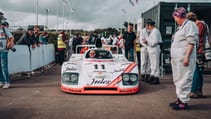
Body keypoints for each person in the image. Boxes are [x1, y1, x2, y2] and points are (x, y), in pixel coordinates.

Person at [170, 7, 198, 110]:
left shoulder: (190, 25)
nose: (174, 19)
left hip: (185, 59)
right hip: (178, 59)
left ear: (178, 16)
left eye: (175, 17)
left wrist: (186, 56)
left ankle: (183, 101)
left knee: (185, 79)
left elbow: (192, 42)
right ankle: (179, 99)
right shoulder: (181, 27)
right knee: (178, 79)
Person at [186, 12, 208, 98]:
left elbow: (194, 37)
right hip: (201, 51)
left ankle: (193, 90)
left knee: (195, 71)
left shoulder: (199, 25)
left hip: (198, 51)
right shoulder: (203, 24)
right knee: (199, 71)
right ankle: (199, 90)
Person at [143, 19, 162, 85]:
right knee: (152, 64)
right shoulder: (153, 31)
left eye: (148, 25)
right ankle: (153, 76)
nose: (147, 26)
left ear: (150, 25)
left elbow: (155, 42)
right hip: (151, 49)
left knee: (155, 64)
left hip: (155, 48)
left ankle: (156, 78)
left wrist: (147, 42)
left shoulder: (155, 31)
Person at [0, 12, 15, 89]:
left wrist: (10, 43)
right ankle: (1, 81)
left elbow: (12, 38)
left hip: (4, 51)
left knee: (4, 67)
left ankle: (7, 82)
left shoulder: (4, 29)